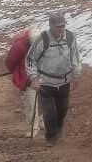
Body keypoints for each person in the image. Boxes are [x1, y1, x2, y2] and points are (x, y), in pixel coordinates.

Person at [25, 12, 82, 146]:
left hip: (64, 81)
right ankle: (51, 137)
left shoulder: (70, 37)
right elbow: (30, 59)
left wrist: (76, 75)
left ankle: (57, 131)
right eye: (58, 27)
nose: (61, 29)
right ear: (50, 26)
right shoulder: (42, 39)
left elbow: (75, 57)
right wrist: (34, 78)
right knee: (49, 113)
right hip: (46, 82)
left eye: (63, 26)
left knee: (62, 110)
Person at [4, 25, 45, 137]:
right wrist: (17, 72)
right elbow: (10, 61)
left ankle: (42, 122)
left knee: (42, 100)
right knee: (31, 103)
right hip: (26, 78)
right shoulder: (19, 46)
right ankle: (34, 127)